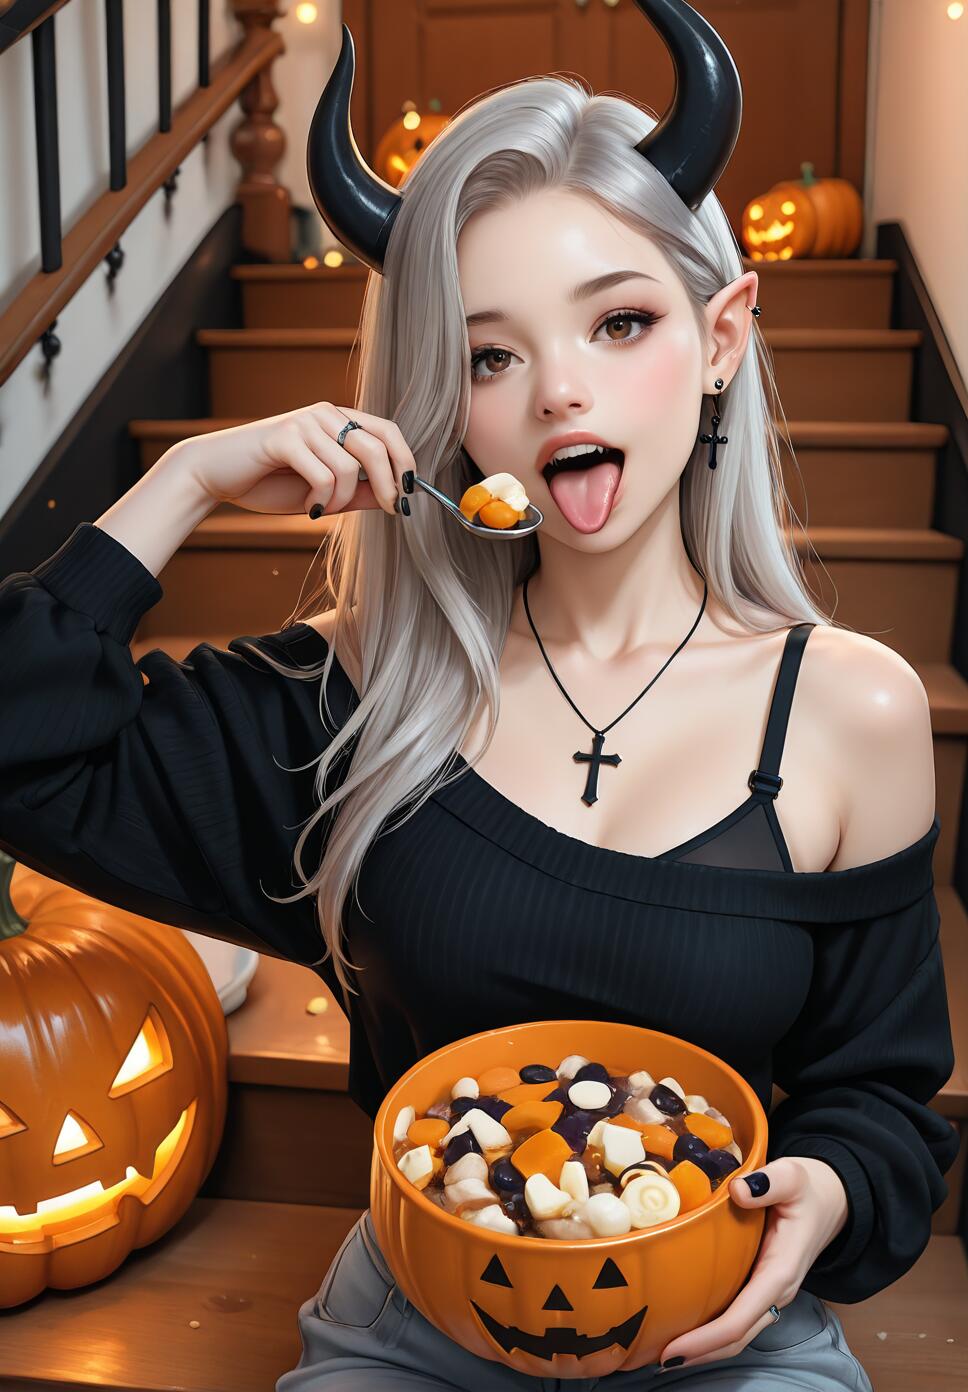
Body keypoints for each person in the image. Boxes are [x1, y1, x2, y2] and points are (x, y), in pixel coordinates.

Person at [0, 1, 957, 1388]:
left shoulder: (850, 711)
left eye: (621, 321)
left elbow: (878, 1100)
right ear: (447, 407)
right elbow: (25, 753)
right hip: (420, 1328)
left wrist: (826, 1194)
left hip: (722, 1323)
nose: (561, 393)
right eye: (492, 356)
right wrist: (184, 483)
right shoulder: (351, 701)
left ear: (725, 335)